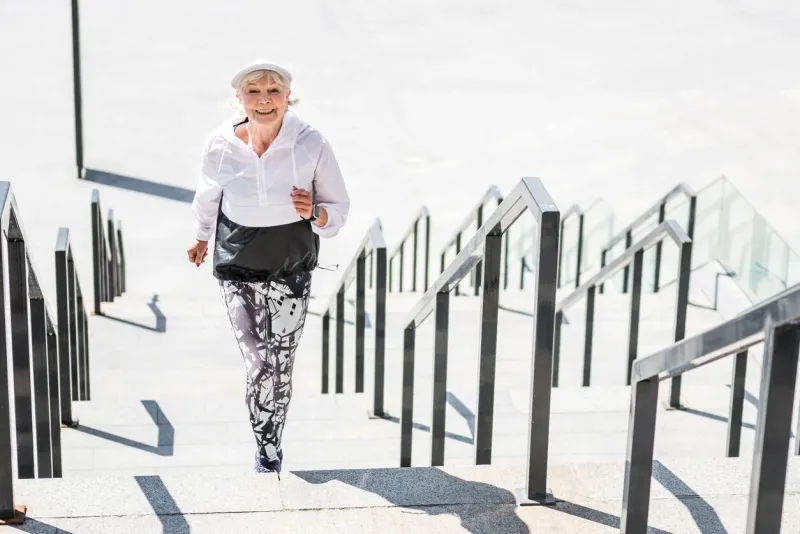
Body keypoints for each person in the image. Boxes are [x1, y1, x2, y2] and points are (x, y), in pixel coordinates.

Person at [187, 60, 350, 475]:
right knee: (258, 362)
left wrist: (313, 212)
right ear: (239, 99)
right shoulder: (220, 144)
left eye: (273, 92)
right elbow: (208, 195)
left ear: (287, 97)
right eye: (254, 92)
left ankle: (273, 435)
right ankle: (266, 448)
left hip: (290, 268)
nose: (264, 100)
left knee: (281, 363)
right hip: (237, 265)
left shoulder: (311, 144)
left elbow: (338, 210)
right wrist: (201, 235)